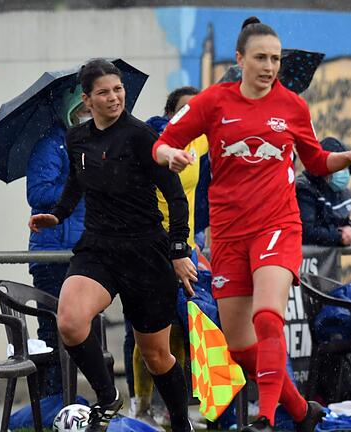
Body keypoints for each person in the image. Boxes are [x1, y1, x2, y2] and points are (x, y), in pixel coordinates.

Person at [152, 17, 351, 432]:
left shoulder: (292, 105)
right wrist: (170, 155)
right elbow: (163, 142)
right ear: (240, 59)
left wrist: (346, 157)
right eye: (261, 58)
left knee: (269, 319)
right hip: (229, 234)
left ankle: (267, 417)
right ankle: (301, 410)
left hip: (278, 225)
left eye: (275, 58)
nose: (269, 66)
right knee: (238, 346)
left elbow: (315, 162)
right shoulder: (212, 102)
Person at [28, 58, 197, 432]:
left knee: (157, 356)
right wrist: (57, 215)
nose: (114, 97)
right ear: (86, 100)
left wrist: (179, 249)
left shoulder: (139, 136)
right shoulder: (77, 139)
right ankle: (108, 397)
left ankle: (181, 423)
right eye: (103, 92)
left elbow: (176, 196)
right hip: (99, 249)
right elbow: (75, 184)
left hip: (146, 253)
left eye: (118, 89)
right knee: (70, 322)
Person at [119, 86, 209, 429]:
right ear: (170, 113)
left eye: (197, 110)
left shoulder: (198, 142)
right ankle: (140, 406)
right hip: (151, 245)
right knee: (150, 328)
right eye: (185, 110)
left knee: (182, 328)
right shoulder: (153, 141)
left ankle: (174, 410)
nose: (192, 116)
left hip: (185, 246)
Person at [26, 89, 89, 397]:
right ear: (69, 110)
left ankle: (69, 397)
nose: (88, 113)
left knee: (81, 332)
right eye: (82, 107)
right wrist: (78, 180)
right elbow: (37, 194)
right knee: (51, 331)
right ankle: (50, 399)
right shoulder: (51, 145)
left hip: (84, 252)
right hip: (53, 255)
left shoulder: (90, 145)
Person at [297, 136, 351, 246]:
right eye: (339, 167)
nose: (343, 172)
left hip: (327, 262)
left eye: (346, 166)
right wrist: (339, 236)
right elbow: (306, 232)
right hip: (305, 261)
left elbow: (344, 222)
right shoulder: (304, 189)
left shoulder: (338, 190)